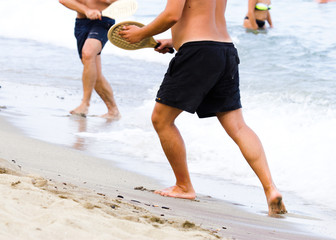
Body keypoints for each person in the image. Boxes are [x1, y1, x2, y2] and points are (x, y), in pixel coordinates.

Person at [119, 0, 287, 215]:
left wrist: (140, 34)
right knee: (238, 126)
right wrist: (175, 40)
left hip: (198, 52)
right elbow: (205, 19)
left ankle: (183, 186)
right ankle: (270, 189)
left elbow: (172, 15)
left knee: (162, 120)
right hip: (225, 50)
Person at [59, 0, 121, 119]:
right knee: (94, 74)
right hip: (81, 23)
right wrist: (86, 10)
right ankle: (113, 111)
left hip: (103, 21)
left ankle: (85, 104)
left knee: (88, 54)